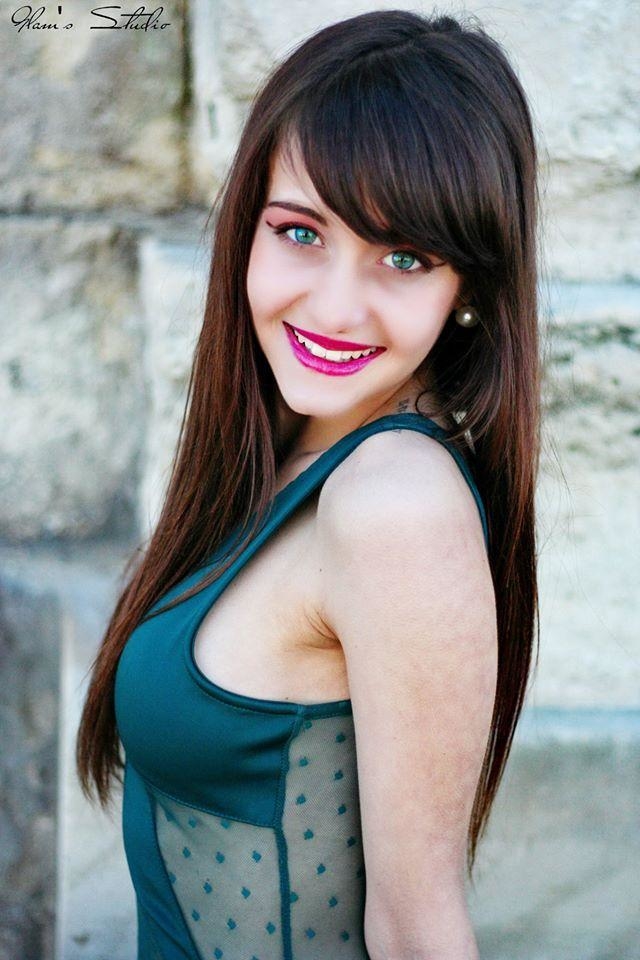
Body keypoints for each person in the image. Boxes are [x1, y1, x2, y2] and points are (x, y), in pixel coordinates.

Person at [77, 9, 541, 959]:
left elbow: (418, 932)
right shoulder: (289, 453)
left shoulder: (394, 504)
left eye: (404, 257)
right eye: (300, 232)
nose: (334, 307)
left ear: (470, 289)